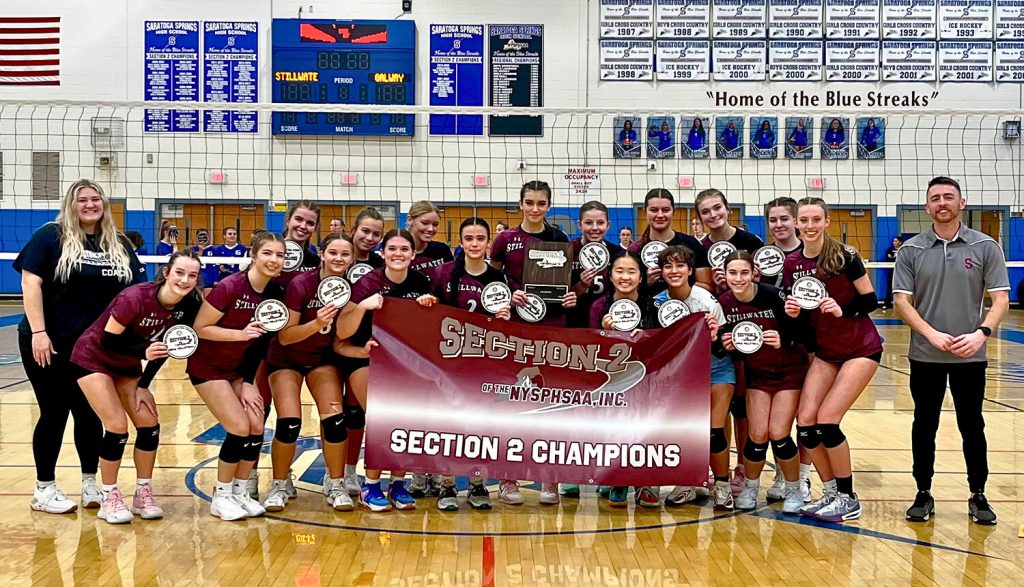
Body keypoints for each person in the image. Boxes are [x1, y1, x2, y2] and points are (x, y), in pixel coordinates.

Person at [17, 179, 147, 515]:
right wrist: (38, 331)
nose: (90, 205)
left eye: (96, 199)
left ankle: (91, 482)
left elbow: (137, 293)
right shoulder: (52, 235)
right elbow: (30, 282)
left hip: (94, 348)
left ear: (104, 203)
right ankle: (44, 489)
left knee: (89, 413)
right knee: (54, 411)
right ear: (71, 205)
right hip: (51, 341)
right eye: (82, 200)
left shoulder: (118, 244)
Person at [893, 176, 1009, 526]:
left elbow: (1000, 298)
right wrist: (931, 334)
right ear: (927, 207)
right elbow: (901, 301)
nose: (942, 203)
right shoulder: (911, 249)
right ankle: (923, 492)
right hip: (926, 355)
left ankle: (978, 494)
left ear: (962, 202)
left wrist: (981, 334)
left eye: (948, 197)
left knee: (971, 424)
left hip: (970, 355)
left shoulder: (986, 246)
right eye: (935, 198)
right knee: (923, 424)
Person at [71, 251, 203, 523]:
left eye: (192, 275)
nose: (185, 280)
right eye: (179, 272)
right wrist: (144, 352)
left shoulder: (189, 306)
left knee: (149, 424)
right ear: (166, 273)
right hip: (93, 358)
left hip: (128, 363)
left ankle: (143, 493)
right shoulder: (135, 298)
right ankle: (109, 496)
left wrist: (144, 384)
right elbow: (109, 341)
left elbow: (166, 348)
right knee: (117, 426)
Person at [783, 197, 882, 523]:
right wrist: (794, 314)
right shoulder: (791, 263)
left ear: (826, 222)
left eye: (816, 220)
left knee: (827, 420)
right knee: (806, 423)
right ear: (797, 223)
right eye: (804, 220)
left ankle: (848, 497)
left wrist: (844, 310)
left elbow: (871, 300)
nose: (809, 226)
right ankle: (830, 493)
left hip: (860, 348)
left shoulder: (844, 256)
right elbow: (801, 319)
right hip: (826, 352)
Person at [489, 180, 578, 506]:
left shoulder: (559, 238)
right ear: (521, 203)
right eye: (530, 202)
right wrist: (506, 294)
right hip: (515, 329)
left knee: (552, 404)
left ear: (549, 205)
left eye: (541, 203)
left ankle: (550, 480)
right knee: (512, 404)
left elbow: (567, 283)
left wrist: (571, 297)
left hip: (553, 327)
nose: (535, 208)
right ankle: (508, 478)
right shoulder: (505, 240)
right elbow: (491, 279)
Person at [187, 232, 287, 520]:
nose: (273, 259)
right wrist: (239, 334)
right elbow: (201, 327)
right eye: (267, 253)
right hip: (207, 367)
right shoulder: (229, 287)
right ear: (253, 256)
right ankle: (221, 495)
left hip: (237, 370)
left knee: (256, 424)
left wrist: (247, 382)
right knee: (240, 426)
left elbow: (261, 343)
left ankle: (240, 491)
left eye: (279, 255)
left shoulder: (275, 293)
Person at [334, 229, 434, 512]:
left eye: (404, 249)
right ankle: (371, 486)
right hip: (365, 358)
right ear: (382, 253)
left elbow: (433, 324)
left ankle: (398, 484)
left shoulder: (421, 281)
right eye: (392, 248)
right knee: (381, 419)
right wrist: (362, 306)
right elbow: (341, 332)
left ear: (413, 255)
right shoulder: (368, 283)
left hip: (403, 363)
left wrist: (431, 304)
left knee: (405, 421)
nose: (398, 254)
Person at [420, 218, 511, 510]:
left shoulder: (497, 279)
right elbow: (428, 313)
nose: (474, 244)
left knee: (480, 425)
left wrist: (504, 320)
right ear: (460, 242)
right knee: (446, 424)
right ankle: (447, 485)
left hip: (482, 364)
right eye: (469, 238)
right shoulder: (442, 273)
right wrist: (425, 303)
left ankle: (476, 482)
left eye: (480, 239)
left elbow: (504, 330)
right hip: (447, 364)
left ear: (487, 243)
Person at [263, 233, 357, 514]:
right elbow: (285, 336)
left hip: (322, 360)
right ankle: (280, 484)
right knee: (289, 422)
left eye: (345, 254)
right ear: (322, 254)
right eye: (333, 253)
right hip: (286, 359)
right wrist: (317, 323)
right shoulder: (301, 284)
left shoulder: (351, 289)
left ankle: (337, 483)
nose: (338, 259)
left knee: (335, 421)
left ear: (352, 259)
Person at [718, 251, 809, 514]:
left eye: (744, 272)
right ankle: (751, 486)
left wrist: (784, 339)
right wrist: (724, 345)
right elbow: (724, 345)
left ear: (753, 273)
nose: (738, 278)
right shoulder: (723, 303)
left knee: (779, 433)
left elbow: (802, 328)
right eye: (732, 273)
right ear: (725, 274)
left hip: (789, 371)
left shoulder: (771, 295)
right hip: (758, 375)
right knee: (757, 435)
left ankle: (794, 489)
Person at [652, 246, 727, 509]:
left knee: (714, 432)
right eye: (668, 266)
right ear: (661, 272)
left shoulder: (705, 300)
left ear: (690, 270)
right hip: (682, 375)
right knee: (686, 429)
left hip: (716, 369)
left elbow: (723, 346)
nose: (674, 271)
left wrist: (716, 337)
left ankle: (722, 486)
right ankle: (688, 482)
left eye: (680, 265)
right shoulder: (657, 302)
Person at [589, 252, 660, 508]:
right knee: (614, 427)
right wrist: (606, 334)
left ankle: (643, 483)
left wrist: (645, 339)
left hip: (644, 380)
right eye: (619, 271)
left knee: (643, 428)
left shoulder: (652, 306)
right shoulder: (599, 307)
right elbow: (590, 350)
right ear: (610, 275)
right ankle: (617, 477)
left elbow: (662, 349)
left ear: (641, 277)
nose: (625, 277)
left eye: (631, 271)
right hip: (611, 380)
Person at [762, 197, 814, 502]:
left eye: (784, 218)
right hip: (773, 349)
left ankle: (804, 477)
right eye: (773, 220)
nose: (779, 225)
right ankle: (783, 473)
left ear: (796, 220)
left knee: (805, 417)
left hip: (808, 346)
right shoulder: (762, 259)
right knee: (775, 420)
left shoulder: (810, 255)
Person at [629, 188, 711, 294]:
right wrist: (645, 282)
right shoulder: (634, 250)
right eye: (654, 210)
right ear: (645, 211)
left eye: (665, 210)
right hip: (648, 308)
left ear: (673, 211)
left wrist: (681, 281)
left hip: (686, 308)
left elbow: (708, 287)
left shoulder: (692, 245)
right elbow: (626, 290)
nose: (660, 215)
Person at [406, 200, 454, 274]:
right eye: (425, 223)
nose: (430, 229)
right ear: (410, 220)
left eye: (435, 224)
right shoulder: (398, 253)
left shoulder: (442, 250)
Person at [883, 236, 903, 308]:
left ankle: (901, 304)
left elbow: (903, 260)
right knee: (889, 287)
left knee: (901, 288)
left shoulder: (903, 249)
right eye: (893, 241)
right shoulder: (890, 250)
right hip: (892, 271)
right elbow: (888, 259)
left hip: (901, 272)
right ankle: (887, 303)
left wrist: (893, 258)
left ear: (900, 242)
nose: (894, 243)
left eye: (895, 241)